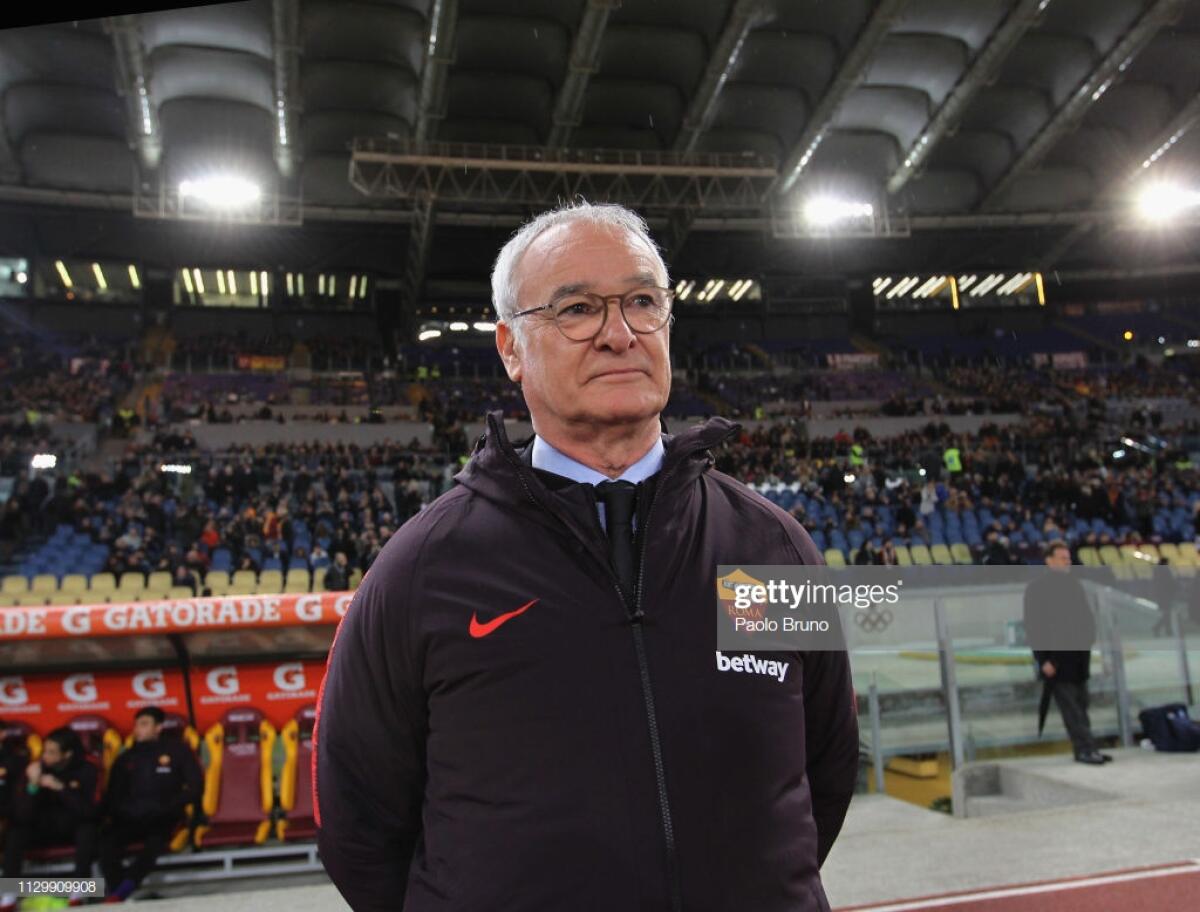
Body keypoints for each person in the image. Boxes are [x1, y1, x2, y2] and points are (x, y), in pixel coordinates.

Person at [315, 202, 859, 911]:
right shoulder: (422, 570)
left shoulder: (776, 548)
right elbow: (356, 819)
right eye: (577, 309)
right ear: (510, 348)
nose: (619, 333)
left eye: (642, 302)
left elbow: (827, 769)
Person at [98, 707, 203, 902]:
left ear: (159, 727)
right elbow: (113, 795)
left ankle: (123, 888)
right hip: (131, 816)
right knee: (106, 841)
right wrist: (125, 811)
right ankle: (116, 890)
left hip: (165, 814)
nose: (138, 729)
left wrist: (169, 805)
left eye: (144, 724)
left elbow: (195, 786)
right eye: (136, 724)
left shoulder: (178, 751)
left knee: (154, 842)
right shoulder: (126, 758)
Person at [1023, 541, 1110, 765]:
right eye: (1062, 558)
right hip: (1057, 659)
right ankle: (1084, 749)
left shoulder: (1074, 584)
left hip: (1078, 657)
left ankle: (1089, 746)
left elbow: (1084, 617)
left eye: (1068, 558)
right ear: (1049, 560)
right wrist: (1043, 659)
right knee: (1071, 708)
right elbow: (1035, 626)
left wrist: (1088, 641)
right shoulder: (1037, 589)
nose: (1067, 561)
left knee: (1082, 705)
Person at [1, 727, 99, 879]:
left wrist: (61, 788)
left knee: (88, 830)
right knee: (16, 831)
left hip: (71, 829)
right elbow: (22, 815)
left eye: (52, 752)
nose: (45, 756)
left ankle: (81, 890)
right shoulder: (36, 769)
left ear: (67, 754)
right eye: (45, 751)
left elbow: (88, 812)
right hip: (43, 829)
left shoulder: (87, 770)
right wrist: (32, 786)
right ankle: (9, 892)